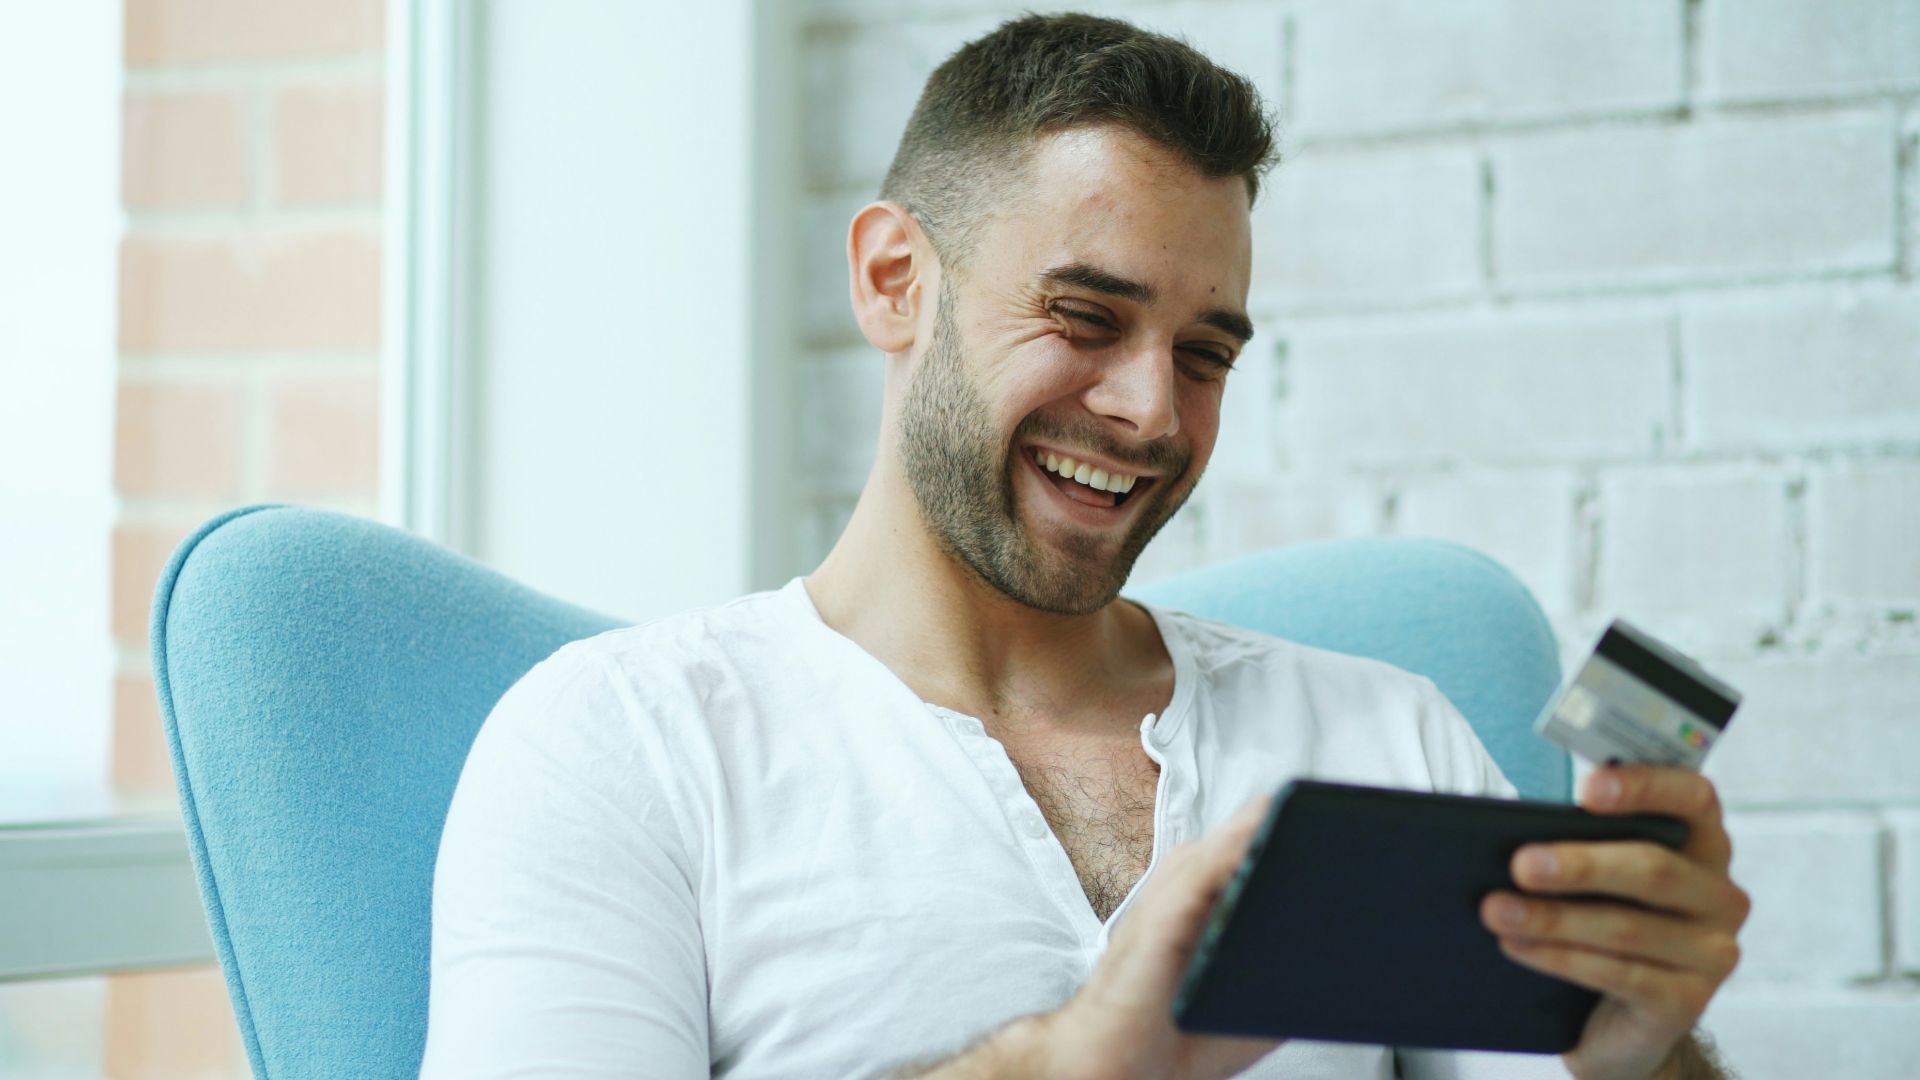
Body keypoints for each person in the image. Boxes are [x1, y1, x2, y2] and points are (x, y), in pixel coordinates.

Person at [420, 13, 1749, 1080]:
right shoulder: (621, 749)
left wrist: (1630, 1058)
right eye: (1083, 315)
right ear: (896, 280)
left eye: (1205, 352)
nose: (1152, 411)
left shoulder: (1382, 738)